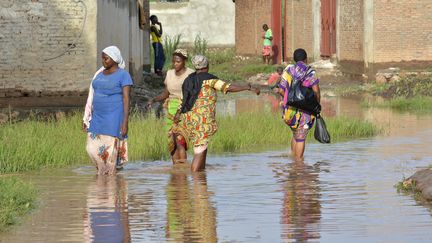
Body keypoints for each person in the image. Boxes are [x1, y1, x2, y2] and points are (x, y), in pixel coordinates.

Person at [173, 55, 261, 172]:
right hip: (201, 121)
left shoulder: (188, 80)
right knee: (199, 151)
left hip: (188, 119)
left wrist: (177, 114)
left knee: (201, 148)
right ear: (207, 66)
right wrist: (248, 87)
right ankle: (196, 181)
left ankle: (201, 179)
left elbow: (183, 100)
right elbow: (227, 87)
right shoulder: (209, 80)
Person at [82, 46, 133, 175]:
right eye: (102, 58)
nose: (103, 61)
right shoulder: (99, 74)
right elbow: (91, 96)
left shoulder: (123, 75)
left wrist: (125, 122)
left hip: (114, 117)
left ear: (115, 59)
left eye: (106, 58)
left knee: (110, 153)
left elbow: (126, 99)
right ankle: (102, 173)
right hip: (97, 117)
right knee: (91, 148)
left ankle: (109, 188)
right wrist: (86, 116)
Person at [147, 49, 193, 163]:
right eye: (173, 61)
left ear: (184, 61)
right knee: (172, 143)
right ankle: (176, 171)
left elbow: (193, 94)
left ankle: (183, 170)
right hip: (170, 110)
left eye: (178, 61)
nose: (175, 64)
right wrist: (154, 99)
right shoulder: (169, 73)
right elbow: (166, 93)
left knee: (180, 141)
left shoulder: (190, 74)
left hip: (184, 109)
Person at [277, 48, 320, 161]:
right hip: (304, 111)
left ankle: (293, 161)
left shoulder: (288, 70)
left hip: (289, 112)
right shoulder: (310, 71)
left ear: (294, 59)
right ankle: (298, 165)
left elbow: (281, 90)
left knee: (295, 134)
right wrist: (316, 106)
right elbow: (316, 91)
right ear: (306, 59)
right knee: (301, 137)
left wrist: (288, 100)